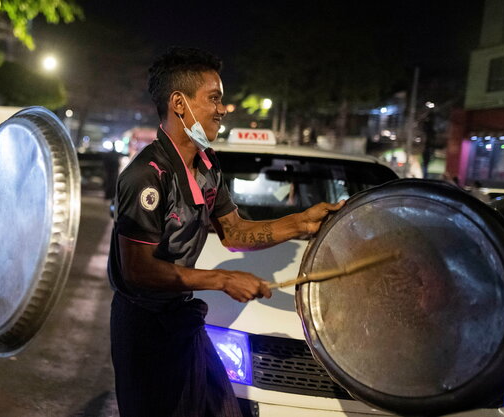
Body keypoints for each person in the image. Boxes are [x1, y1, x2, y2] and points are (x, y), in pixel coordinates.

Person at [107, 47, 344, 417]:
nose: (221, 109)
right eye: (214, 98)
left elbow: (233, 232)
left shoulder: (206, 165)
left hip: (180, 318)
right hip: (144, 330)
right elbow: (138, 271)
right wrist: (223, 279)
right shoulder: (146, 176)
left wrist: (302, 222)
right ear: (179, 103)